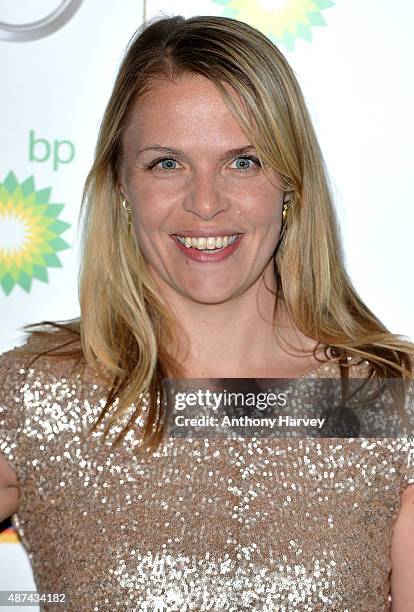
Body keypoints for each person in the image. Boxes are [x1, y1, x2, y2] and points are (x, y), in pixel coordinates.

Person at [1, 13, 414, 611]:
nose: (205, 203)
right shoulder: (38, 397)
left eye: (242, 161)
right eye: (166, 163)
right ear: (121, 184)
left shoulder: (383, 400)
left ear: (290, 181)